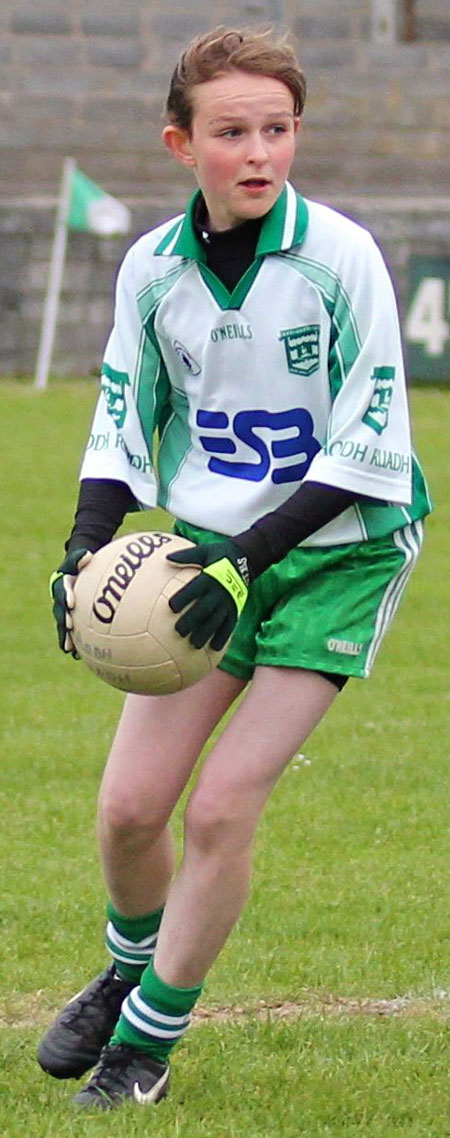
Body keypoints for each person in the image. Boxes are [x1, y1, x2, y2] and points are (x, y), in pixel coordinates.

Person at [38, 25, 431, 1111]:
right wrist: (83, 545)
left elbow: (372, 445)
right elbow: (123, 414)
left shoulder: (340, 256)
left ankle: (145, 1046)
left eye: (278, 129)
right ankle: (127, 969)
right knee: (128, 810)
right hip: (213, 548)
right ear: (182, 144)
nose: (259, 152)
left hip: (339, 549)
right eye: (232, 132)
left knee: (219, 808)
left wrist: (254, 558)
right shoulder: (152, 270)